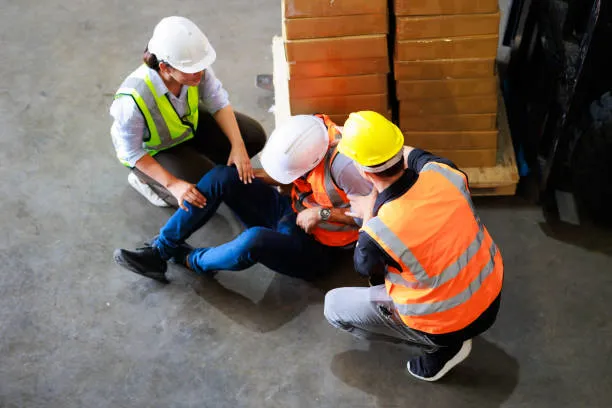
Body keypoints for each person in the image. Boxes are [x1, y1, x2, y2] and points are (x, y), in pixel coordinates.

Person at [324, 111, 503, 382]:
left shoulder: (378, 231)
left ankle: (443, 347)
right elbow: (414, 155)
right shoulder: (445, 172)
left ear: (361, 169)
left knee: (334, 306)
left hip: (447, 323)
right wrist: (374, 142)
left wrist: (369, 208)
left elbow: (364, 266)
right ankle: (446, 336)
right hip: (491, 294)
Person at [113, 114, 372, 282]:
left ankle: (192, 261)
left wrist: (321, 214)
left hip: (316, 247)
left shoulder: (348, 170)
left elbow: (374, 219)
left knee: (254, 240)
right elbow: (290, 174)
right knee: (223, 176)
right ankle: (159, 250)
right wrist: (245, 175)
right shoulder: (311, 132)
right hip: (292, 211)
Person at [110, 16, 266, 208]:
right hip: (158, 151)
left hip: (186, 128)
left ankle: (201, 166)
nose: (200, 74)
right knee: (202, 194)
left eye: (200, 67)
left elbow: (218, 102)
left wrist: (238, 146)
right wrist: (173, 184)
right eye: (192, 70)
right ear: (164, 67)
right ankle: (148, 183)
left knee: (252, 136)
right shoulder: (133, 99)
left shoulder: (195, 69)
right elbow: (130, 152)